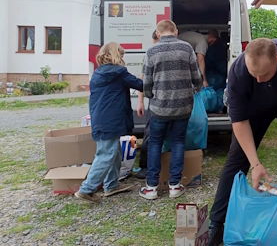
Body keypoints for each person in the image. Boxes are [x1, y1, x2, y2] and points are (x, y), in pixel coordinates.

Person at [207, 38, 277, 246]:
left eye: (264, 74)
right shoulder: (239, 70)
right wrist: (255, 164)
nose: (258, 79)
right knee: (236, 159)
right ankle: (216, 223)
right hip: (255, 106)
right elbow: (239, 121)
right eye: (254, 74)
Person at [139, 20, 203, 200]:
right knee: (178, 142)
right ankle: (175, 186)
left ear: (157, 34)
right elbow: (196, 76)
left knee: (155, 144)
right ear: (175, 31)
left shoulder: (152, 51)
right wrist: (196, 89)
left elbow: (147, 82)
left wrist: (153, 96)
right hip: (183, 106)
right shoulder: (186, 48)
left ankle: (151, 187)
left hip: (159, 108)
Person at [75, 42, 143, 203]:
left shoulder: (98, 74)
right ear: (116, 55)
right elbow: (139, 85)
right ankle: (86, 189)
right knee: (106, 154)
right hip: (110, 120)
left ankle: (111, 185)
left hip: (100, 117)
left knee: (115, 151)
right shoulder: (119, 72)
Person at [135, 30, 160, 179]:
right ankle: (144, 166)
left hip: (159, 102)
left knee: (152, 136)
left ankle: (149, 168)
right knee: (150, 136)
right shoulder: (150, 54)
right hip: (156, 102)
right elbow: (142, 79)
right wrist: (140, 102)